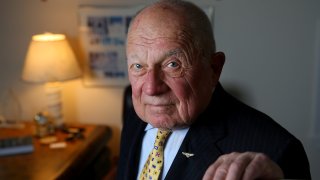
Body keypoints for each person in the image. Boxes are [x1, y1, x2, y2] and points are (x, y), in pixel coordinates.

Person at [117, 0, 311, 179]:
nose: (151, 89)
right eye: (138, 66)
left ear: (214, 68)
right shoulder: (137, 114)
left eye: (173, 64)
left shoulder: (276, 151)